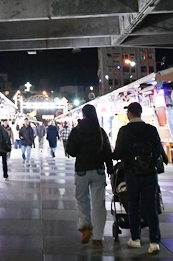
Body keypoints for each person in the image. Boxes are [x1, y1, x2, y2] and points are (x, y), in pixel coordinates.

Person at [113, 102, 167, 254]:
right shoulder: (151, 129)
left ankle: (135, 239)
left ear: (130, 114)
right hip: (150, 174)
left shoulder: (124, 131)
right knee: (151, 206)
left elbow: (117, 154)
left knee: (134, 205)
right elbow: (158, 150)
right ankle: (154, 242)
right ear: (141, 113)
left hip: (132, 174)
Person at [65, 105, 113, 249]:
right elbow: (107, 152)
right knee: (99, 203)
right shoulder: (100, 131)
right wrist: (110, 169)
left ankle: (85, 227)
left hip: (82, 170)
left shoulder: (77, 130)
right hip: (98, 170)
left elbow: (71, 151)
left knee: (82, 200)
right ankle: (98, 237)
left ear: (83, 114)